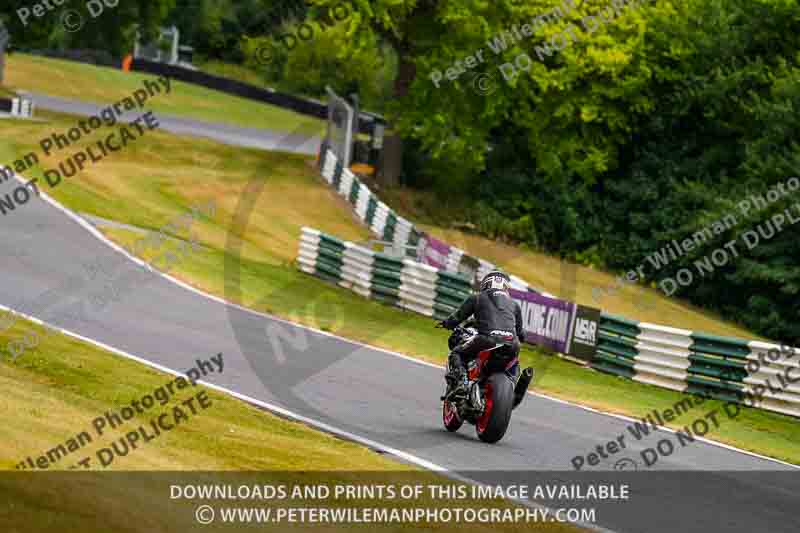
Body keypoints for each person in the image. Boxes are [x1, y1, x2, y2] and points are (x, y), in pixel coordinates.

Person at [439, 270, 525, 393]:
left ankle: (461, 383)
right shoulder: (514, 304)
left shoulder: (477, 297)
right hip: (512, 344)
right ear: (506, 287)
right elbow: (521, 333)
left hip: (486, 340)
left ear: (485, 284)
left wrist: (446, 323)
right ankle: (513, 388)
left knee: (457, 353)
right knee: (514, 360)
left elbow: (457, 318)